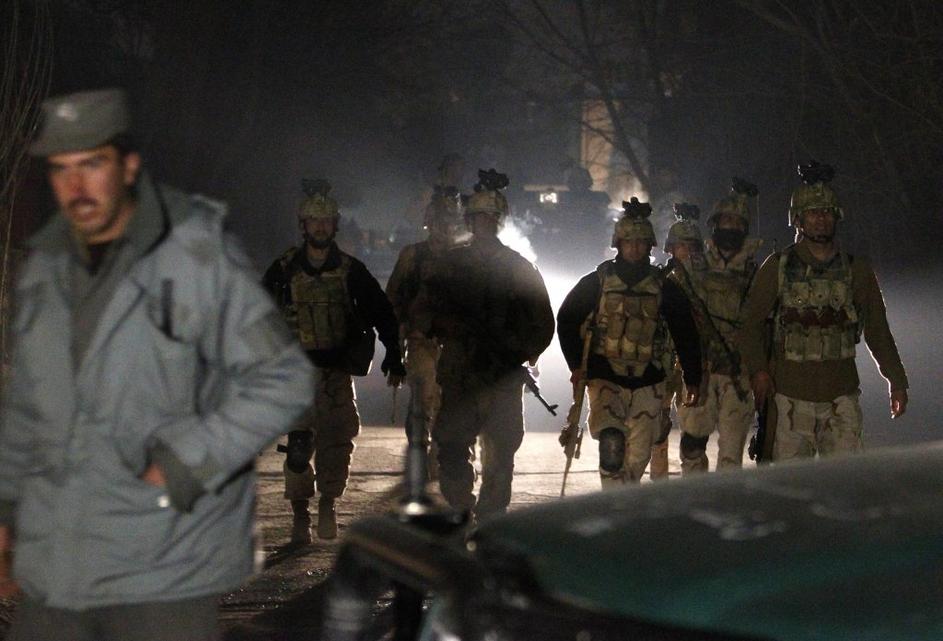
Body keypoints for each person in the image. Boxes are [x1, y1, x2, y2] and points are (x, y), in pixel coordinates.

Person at [0, 88, 314, 641]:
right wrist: (5, 510)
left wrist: (184, 464)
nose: (76, 186)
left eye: (92, 164)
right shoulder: (46, 270)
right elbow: (26, 408)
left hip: (163, 566)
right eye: (61, 169)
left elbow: (283, 380)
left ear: (128, 167)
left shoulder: (194, 259)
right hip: (57, 564)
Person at [263, 179, 405, 542]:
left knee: (336, 447)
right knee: (298, 450)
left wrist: (394, 352)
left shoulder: (350, 271)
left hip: (336, 374)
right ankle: (300, 515)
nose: (321, 227)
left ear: (335, 224)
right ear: (304, 224)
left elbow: (381, 311)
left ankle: (327, 504)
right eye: (314, 220)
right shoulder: (283, 270)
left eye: (326, 220)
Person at [739, 162, 908, 461]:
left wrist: (896, 380)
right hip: (790, 399)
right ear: (799, 220)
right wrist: (759, 371)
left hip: (841, 398)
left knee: (844, 484)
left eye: (827, 212)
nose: (821, 219)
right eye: (813, 212)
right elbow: (751, 324)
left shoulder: (857, 270)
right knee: (790, 485)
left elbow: (877, 331)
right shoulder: (777, 268)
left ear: (837, 216)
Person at [429, 169, 554, 520]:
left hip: (502, 375)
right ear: (469, 220)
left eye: (490, 217)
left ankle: (491, 521)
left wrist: (518, 352)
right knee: (451, 449)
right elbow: (428, 309)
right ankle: (461, 507)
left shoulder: (518, 267)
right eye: (479, 217)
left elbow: (542, 322)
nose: (484, 223)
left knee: (501, 453)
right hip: (460, 372)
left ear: (498, 221)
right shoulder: (450, 265)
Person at [557, 198, 702, 488]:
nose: (634, 248)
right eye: (628, 242)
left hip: (649, 380)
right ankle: (612, 499)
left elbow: (685, 331)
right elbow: (567, 319)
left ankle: (624, 496)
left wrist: (693, 376)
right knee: (611, 445)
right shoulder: (598, 282)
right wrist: (576, 365)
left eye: (640, 242)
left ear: (650, 245)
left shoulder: (663, 287)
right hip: (606, 378)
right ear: (618, 244)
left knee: (637, 456)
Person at [667, 187, 763, 474]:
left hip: (738, 373)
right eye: (726, 221)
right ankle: (694, 497)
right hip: (700, 370)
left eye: (737, 223)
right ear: (715, 225)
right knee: (692, 446)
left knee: (731, 456)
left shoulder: (755, 273)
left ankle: (724, 501)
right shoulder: (692, 268)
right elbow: (673, 315)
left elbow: (764, 324)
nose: (730, 228)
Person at [386, 185, 463, 480]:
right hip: (421, 341)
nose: (445, 228)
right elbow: (393, 301)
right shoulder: (413, 256)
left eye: (451, 221)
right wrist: (395, 346)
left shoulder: (467, 258)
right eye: (440, 221)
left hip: (455, 345)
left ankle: (441, 460)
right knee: (423, 401)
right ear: (430, 222)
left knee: (450, 405)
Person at [649, 203, 704, 479]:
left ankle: (692, 483)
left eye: (692, 246)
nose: (687, 252)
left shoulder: (705, 284)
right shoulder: (659, 281)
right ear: (671, 248)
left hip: (693, 362)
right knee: (658, 428)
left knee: (694, 430)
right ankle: (658, 479)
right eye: (682, 246)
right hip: (664, 362)